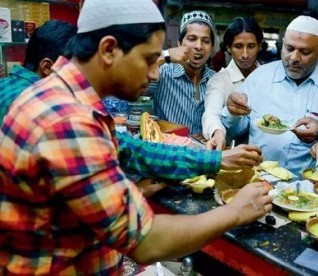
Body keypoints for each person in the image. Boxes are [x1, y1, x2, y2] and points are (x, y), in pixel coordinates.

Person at [0, 0, 272, 274]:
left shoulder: (59, 96)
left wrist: (216, 158)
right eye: (149, 59)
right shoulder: (67, 120)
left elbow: (133, 150)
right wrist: (235, 211)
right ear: (108, 50)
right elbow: (145, 240)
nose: (155, 73)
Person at [0, 20, 263, 187]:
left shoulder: (16, 91)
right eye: (81, 69)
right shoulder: (49, 109)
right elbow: (127, 151)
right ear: (49, 68)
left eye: (206, 40)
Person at [221, 15, 318, 174]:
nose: (294, 58)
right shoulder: (259, 76)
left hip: (310, 185)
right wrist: (232, 112)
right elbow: (235, 130)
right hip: (259, 178)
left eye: (305, 51)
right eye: (289, 49)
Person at [151, 10, 216, 136]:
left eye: (206, 41)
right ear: (179, 44)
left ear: (212, 48)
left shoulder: (216, 79)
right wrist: (166, 54)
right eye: (192, 39)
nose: (199, 46)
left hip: (203, 153)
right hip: (168, 152)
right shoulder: (163, 72)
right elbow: (130, 81)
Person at [203, 17, 263, 150]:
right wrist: (217, 133)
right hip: (233, 155)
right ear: (229, 48)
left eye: (251, 46)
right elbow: (211, 113)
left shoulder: (268, 77)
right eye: (238, 46)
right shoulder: (219, 80)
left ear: (259, 46)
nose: (245, 54)